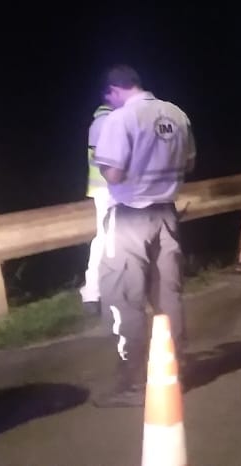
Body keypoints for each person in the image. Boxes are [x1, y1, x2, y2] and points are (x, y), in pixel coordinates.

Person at [90, 64, 194, 408]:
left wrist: (104, 166)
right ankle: (172, 373)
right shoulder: (176, 114)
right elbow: (190, 163)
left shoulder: (119, 120)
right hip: (166, 213)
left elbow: (114, 173)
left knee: (124, 298)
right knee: (168, 297)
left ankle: (132, 383)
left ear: (113, 91)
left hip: (131, 216)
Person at [79, 102, 115, 317]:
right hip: (108, 189)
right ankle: (92, 292)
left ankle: (94, 291)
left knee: (108, 239)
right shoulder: (105, 122)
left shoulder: (105, 121)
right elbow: (100, 157)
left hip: (108, 189)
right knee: (105, 239)